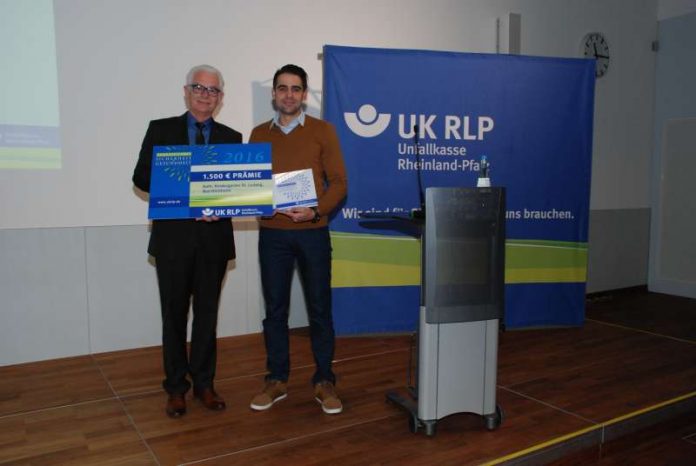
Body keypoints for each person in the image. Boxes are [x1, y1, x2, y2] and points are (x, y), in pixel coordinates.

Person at [132, 64, 241, 418]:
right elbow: (142, 177)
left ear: (220, 98)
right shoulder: (161, 130)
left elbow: (236, 189)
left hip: (214, 240)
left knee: (207, 316)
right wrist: (185, 197)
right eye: (199, 87)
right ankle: (177, 387)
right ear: (186, 90)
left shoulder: (232, 137)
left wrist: (222, 205)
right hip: (173, 241)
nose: (205, 94)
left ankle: (205, 385)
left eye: (212, 90)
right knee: (174, 316)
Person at [248, 64, 348, 415]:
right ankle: (276, 379)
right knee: (275, 312)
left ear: (304, 94)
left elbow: (338, 183)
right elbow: (252, 188)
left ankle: (324, 380)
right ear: (273, 94)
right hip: (273, 236)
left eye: (295, 88)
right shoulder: (258, 134)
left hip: (313, 235)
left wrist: (316, 211)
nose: (288, 94)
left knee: (320, 311)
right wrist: (255, 203)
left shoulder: (324, 131)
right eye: (282, 88)